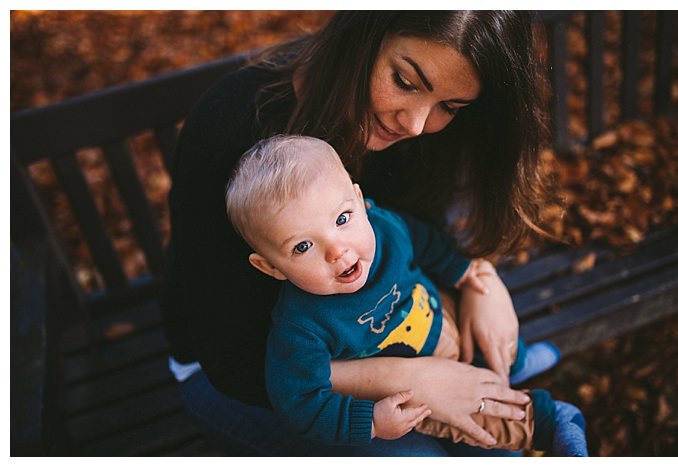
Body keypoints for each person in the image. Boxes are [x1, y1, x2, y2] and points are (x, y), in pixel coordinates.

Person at [162, 11, 561, 455]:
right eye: (405, 82)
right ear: (365, 33)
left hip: (375, 333)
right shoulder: (231, 125)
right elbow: (232, 361)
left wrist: (481, 281)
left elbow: (421, 233)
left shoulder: (411, 126)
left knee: (492, 440)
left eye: (449, 106)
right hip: (241, 376)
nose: (414, 124)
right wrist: (407, 378)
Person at [224, 135, 587, 455]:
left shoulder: (384, 227)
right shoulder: (300, 328)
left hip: (439, 322)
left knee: (481, 325)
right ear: (270, 267)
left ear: (359, 200)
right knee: (482, 423)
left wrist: (462, 271)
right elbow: (300, 403)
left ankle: (513, 362)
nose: (337, 249)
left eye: (341, 219)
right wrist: (371, 422)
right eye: (303, 246)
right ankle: (550, 422)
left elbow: (428, 244)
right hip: (408, 393)